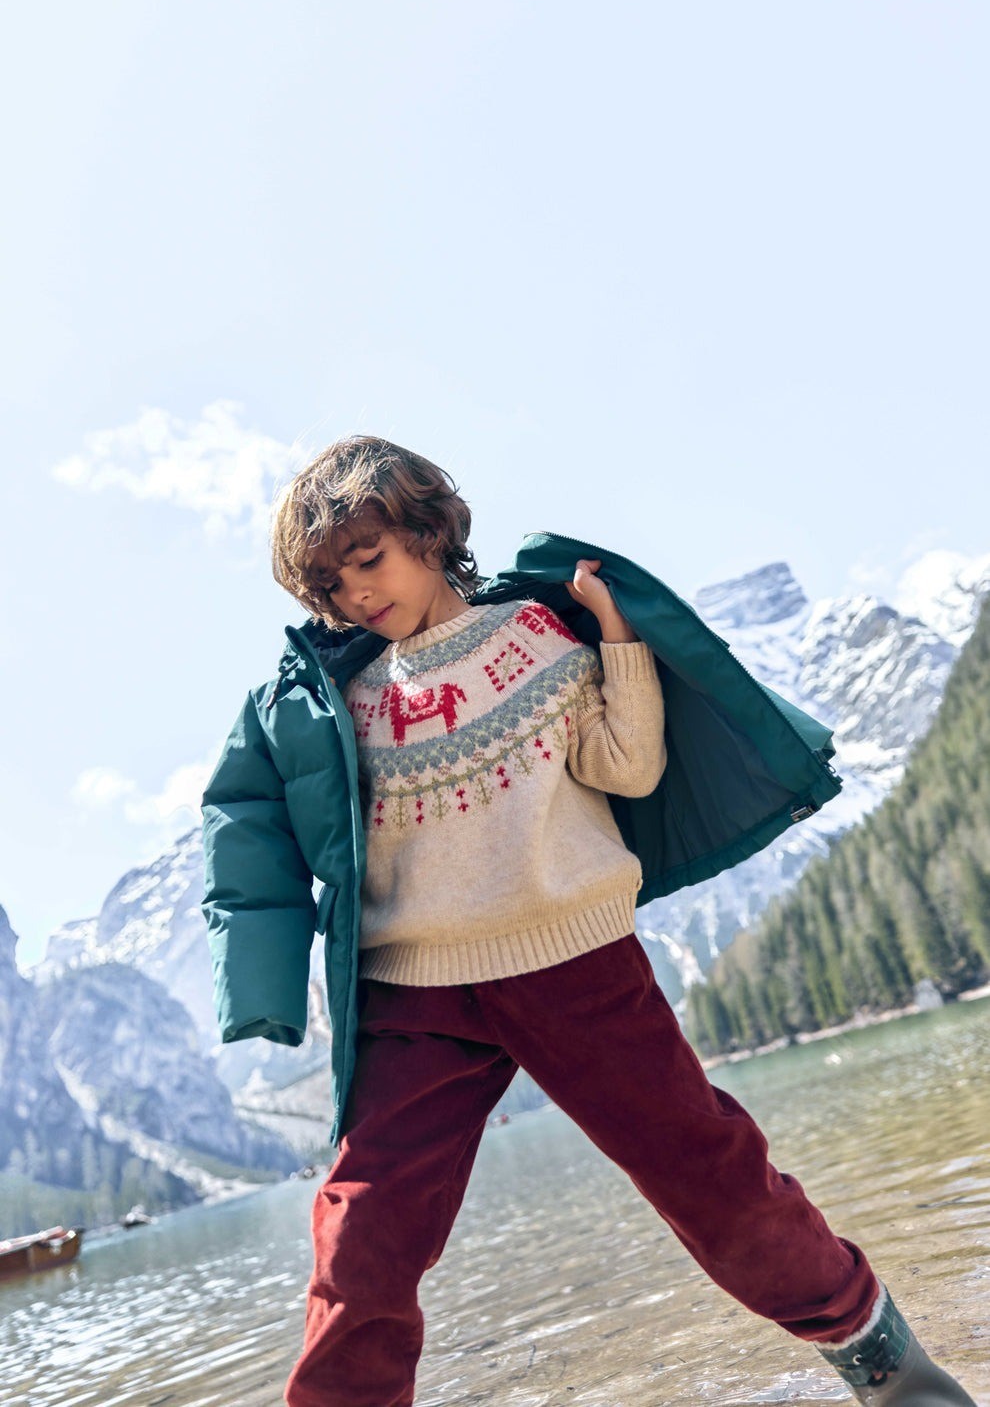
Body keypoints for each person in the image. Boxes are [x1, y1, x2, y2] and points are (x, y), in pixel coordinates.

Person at [201, 436, 975, 1407]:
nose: (357, 592)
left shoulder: (533, 636)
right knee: (361, 1234)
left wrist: (616, 639)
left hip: (575, 964)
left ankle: (890, 1368)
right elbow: (256, 836)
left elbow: (628, 768)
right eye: (332, 583)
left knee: (715, 1181)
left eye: (370, 558)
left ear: (429, 533)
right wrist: (267, 986)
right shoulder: (338, 703)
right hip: (412, 995)